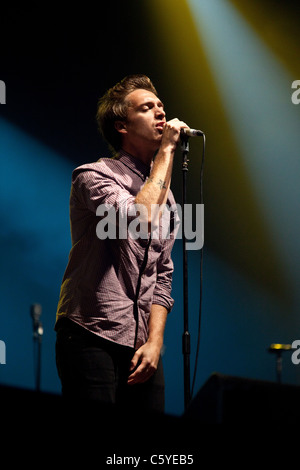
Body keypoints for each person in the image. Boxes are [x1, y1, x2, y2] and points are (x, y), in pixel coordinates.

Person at [55, 74, 188, 413]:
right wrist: (168, 151)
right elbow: (136, 218)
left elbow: (163, 276)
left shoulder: (167, 199)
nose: (160, 113)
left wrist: (156, 342)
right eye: (147, 108)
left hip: (141, 344)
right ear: (122, 127)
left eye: (161, 106)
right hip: (90, 333)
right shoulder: (93, 176)